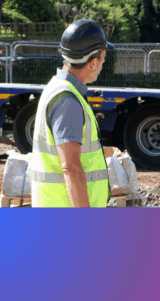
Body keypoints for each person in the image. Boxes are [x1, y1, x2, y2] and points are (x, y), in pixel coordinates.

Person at [31, 19, 115, 207]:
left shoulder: (60, 89)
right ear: (92, 63)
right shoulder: (67, 101)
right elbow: (71, 168)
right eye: (103, 59)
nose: (102, 65)